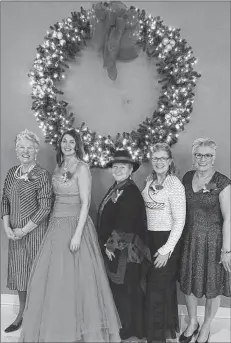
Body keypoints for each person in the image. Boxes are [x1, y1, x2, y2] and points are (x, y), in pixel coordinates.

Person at [19, 129, 121, 342]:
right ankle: (58, 327)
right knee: (56, 280)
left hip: (76, 226)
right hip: (56, 226)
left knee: (78, 280)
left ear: (77, 145)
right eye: (64, 141)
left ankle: (79, 330)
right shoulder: (59, 166)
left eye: (71, 142)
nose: (67, 145)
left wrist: (76, 235)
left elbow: (85, 203)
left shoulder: (82, 168)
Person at [179, 138, 231, 343]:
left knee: (212, 286)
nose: (203, 158)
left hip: (214, 241)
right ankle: (192, 322)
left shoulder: (222, 182)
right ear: (194, 157)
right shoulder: (187, 177)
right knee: (188, 282)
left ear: (213, 158)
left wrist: (226, 250)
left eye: (207, 155)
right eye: (199, 154)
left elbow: (229, 218)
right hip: (190, 238)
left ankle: (207, 325)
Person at [1, 129, 52, 333]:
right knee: (20, 273)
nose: (25, 151)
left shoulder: (42, 175)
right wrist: (7, 227)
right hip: (14, 233)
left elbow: (45, 207)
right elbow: (4, 200)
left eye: (29, 147)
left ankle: (38, 314)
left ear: (36, 150)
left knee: (35, 274)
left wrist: (25, 229)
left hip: (35, 233)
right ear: (16, 150)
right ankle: (22, 313)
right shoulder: (11, 173)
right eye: (21, 147)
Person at [97, 149, 151, 341]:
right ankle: (123, 325)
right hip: (117, 248)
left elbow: (126, 222)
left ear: (130, 170)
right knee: (120, 290)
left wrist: (110, 245)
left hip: (124, 250)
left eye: (123, 167)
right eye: (115, 166)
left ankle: (128, 329)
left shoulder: (130, 192)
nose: (118, 169)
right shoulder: (118, 187)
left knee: (126, 289)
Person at [142, 142, 186, 343]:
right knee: (155, 288)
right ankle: (160, 330)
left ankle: (157, 338)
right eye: (155, 158)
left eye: (163, 158)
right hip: (150, 239)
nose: (159, 162)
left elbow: (180, 221)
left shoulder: (174, 184)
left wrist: (166, 250)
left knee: (158, 291)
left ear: (169, 161)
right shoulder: (149, 180)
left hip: (166, 241)